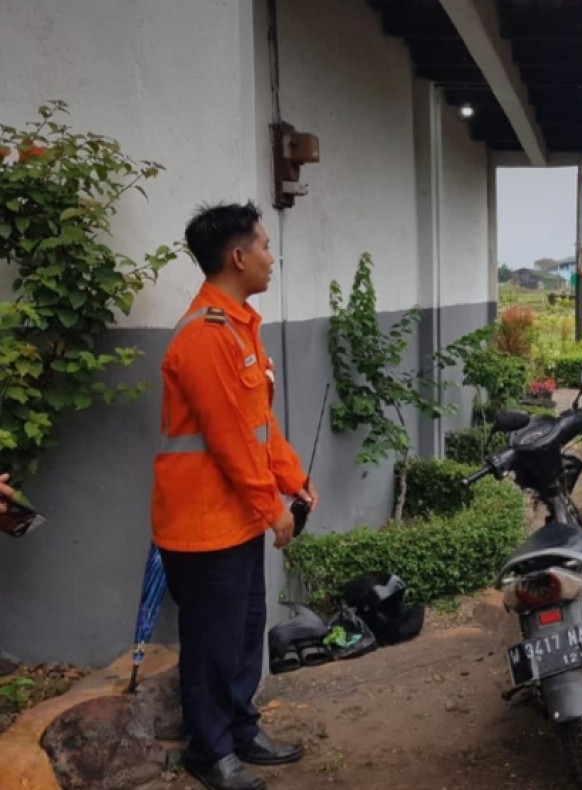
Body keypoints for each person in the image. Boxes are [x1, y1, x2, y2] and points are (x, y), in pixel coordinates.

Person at [152, 202, 317, 790]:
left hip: (234, 523)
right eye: (266, 246)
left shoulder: (241, 327)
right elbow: (225, 442)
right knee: (210, 642)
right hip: (200, 526)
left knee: (246, 631)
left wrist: (292, 480)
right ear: (237, 256)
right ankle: (210, 750)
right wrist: (271, 508)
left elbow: (259, 428)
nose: (273, 258)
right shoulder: (205, 337)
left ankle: (241, 728)